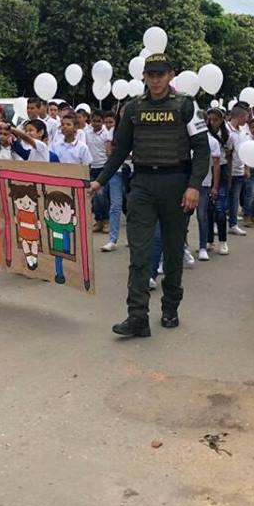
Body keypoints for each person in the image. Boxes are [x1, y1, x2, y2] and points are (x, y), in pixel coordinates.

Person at [91, 53, 209, 339]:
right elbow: (120, 150)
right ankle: (137, 316)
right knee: (140, 253)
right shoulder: (133, 109)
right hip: (142, 184)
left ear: (171, 75)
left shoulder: (187, 106)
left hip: (176, 184)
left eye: (161, 74)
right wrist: (100, 182)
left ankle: (170, 307)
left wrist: (194, 185)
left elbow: (202, 149)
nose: (155, 79)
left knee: (171, 253)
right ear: (143, 76)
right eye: (150, 74)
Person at [203, 108, 231, 256]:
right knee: (208, 209)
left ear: (221, 120)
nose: (212, 122)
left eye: (215, 119)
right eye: (210, 119)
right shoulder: (206, 135)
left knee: (220, 209)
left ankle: (223, 241)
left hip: (223, 171)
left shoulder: (227, 136)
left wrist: (230, 175)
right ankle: (208, 240)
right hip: (209, 171)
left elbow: (230, 156)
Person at [100, 111, 126, 252]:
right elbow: (109, 152)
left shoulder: (140, 127)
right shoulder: (113, 131)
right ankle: (112, 239)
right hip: (117, 171)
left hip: (135, 171)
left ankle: (134, 238)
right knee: (115, 205)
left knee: (134, 207)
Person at [197, 125, 223, 261]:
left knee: (202, 215)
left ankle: (203, 246)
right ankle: (183, 246)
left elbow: (216, 165)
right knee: (182, 217)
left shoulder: (212, 141)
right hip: (185, 182)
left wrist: (215, 186)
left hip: (204, 183)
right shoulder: (186, 138)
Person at [226, 106, 251, 236]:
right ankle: (215, 223)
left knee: (235, 198)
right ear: (240, 116)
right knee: (222, 198)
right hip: (228, 170)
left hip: (239, 170)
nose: (247, 119)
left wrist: (246, 167)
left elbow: (246, 150)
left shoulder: (243, 131)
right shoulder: (226, 129)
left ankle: (233, 224)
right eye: (246, 116)